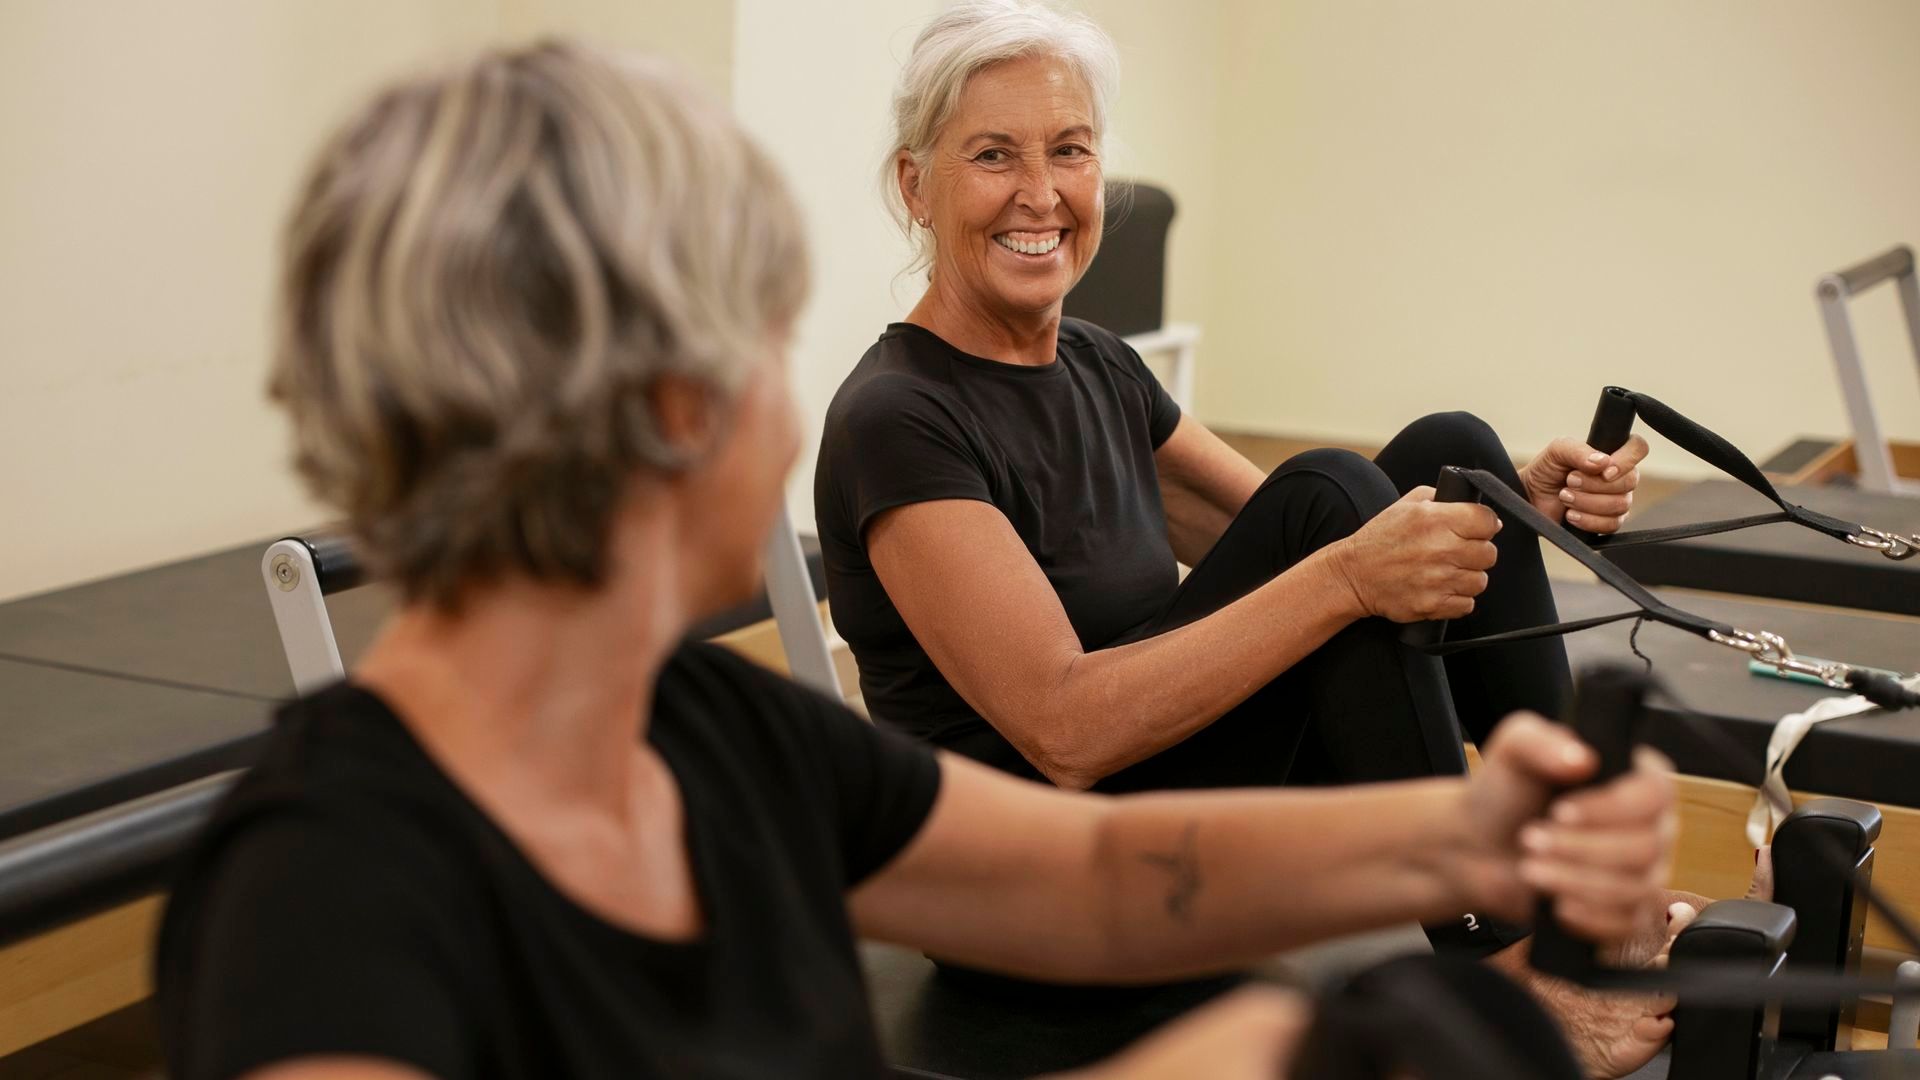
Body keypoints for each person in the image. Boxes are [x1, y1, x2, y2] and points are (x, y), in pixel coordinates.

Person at [154, 38, 1677, 1080]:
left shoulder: (719, 735)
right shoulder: (328, 897)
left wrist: (1480, 839)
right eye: (762, 336)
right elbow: (1073, 754)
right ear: (664, 409)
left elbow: (1086, 881)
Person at [812, 1, 1677, 1074]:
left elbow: (1324, 520)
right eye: (993, 156)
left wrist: (1508, 517)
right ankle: (1494, 960)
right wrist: (1353, 573)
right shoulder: (898, 418)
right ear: (915, 185)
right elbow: (1064, 730)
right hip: (1039, 889)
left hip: (1170, 806)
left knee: (1452, 454)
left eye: (1069, 151)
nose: (1039, 194)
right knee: (1336, 515)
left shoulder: (1096, 362)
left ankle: (1571, 886)